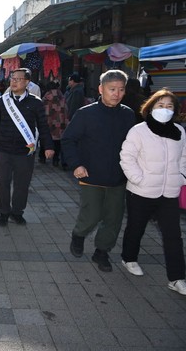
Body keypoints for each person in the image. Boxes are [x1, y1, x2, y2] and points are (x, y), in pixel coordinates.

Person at [62, 69, 135, 272]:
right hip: (90, 175)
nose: (116, 93)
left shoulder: (128, 115)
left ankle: (101, 252)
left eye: (121, 89)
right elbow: (68, 139)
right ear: (101, 89)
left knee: (113, 218)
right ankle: (78, 234)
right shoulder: (86, 114)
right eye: (112, 89)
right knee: (92, 214)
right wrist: (76, 164)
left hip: (118, 177)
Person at [119, 88, 186, 294]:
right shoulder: (139, 130)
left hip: (169, 192)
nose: (164, 110)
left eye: (169, 106)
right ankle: (129, 258)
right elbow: (127, 157)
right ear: (150, 107)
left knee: (173, 235)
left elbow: (183, 158)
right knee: (135, 228)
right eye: (160, 105)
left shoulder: (179, 132)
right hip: (141, 191)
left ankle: (176, 278)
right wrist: (139, 179)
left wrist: (181, 176)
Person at [0, 68, 54, 226]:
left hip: (25, 151)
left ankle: (17, 212)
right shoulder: (1, 102)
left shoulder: (35, 102)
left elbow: (43, 126)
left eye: (18, 79)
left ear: (27, 82)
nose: (14, 81)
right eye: (12, 78)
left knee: (22, 184)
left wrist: (48, 146)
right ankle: (3, 212)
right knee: (2, 182)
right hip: (4, 150)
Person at [39, 81, 68, 167]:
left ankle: (42, 157)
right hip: (60, 122)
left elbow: (40, 111)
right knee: (58, 142)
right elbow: (66, 111)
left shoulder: (45, 98)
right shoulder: (62, 98)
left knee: (45, 139)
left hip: (47, 122)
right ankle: (55, 160)